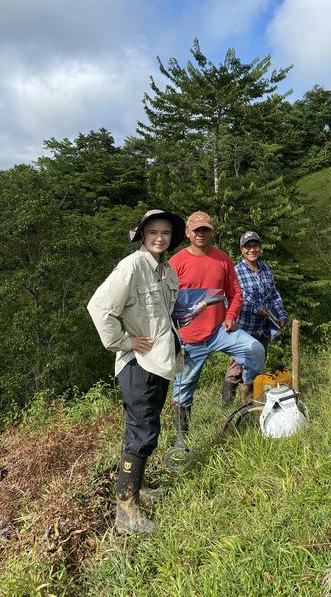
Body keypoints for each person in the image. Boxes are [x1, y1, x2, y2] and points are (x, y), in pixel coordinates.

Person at [87, 209, 185, 534]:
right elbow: (99, 307)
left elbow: (164, 314)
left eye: (166, 233)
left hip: (158, 362)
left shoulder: (167, 271)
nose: (160, 237)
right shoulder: (132, 266)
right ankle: (126, 511)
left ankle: (137, 489)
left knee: (147, 429)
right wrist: (125, 342)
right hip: (137, 365)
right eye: (153, 232)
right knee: (141, 434)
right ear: (142, 235)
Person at [169, 212, 265, 436]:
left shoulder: (222, 259)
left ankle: (249, 397)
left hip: (219, 330)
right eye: (196, 230)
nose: (201, 234)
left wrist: (231, 316)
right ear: (187, 233)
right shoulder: (176, 262)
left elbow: (235, 293)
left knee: (254, 349)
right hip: (188, 338)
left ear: (212, 232)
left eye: (205, 230)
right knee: (183, 389)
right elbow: (165, 300)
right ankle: (182, 439)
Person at [221, 231, 288, 406]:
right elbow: (237, 297)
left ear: (260, 248)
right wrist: (257, 308)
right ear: (242, 249)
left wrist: (281, 314)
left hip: (262, 328)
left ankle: (252, 403)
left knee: (257, 365)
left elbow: (274, 295)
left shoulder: (265, 270)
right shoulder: (236, 271)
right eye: (248, 246)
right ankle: (226, 405)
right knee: (236, 367)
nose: (252, 250)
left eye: (255, 246)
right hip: (243, 328)